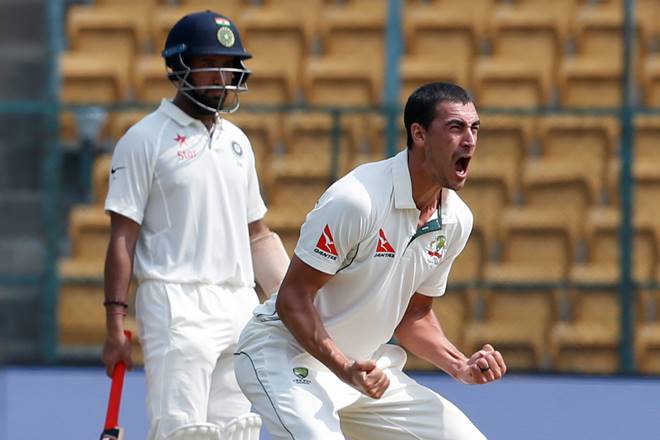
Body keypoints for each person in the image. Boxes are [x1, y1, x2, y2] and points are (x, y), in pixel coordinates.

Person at [234, 82, 506, 439]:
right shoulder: (357, 200)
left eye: (474, 128)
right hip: (284, 357)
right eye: (455, 127)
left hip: (365, 369)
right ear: (419, 134)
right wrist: (344, 368)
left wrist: (460, 365)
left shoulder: (457, 220)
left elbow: (415, 314)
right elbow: (292, 298)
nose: (469, 140)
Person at [100, 11, 289, 440]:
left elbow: (257, 234)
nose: (224, 77)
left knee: (240, 430)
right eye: (211, 64)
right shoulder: (144, 139)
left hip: (239, 304)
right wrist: (115, 323)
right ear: (180, 67)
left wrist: (293, 300)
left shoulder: (238, 142)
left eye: (230, 65)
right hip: (175, 303)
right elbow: (122, 239)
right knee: (182, 432)